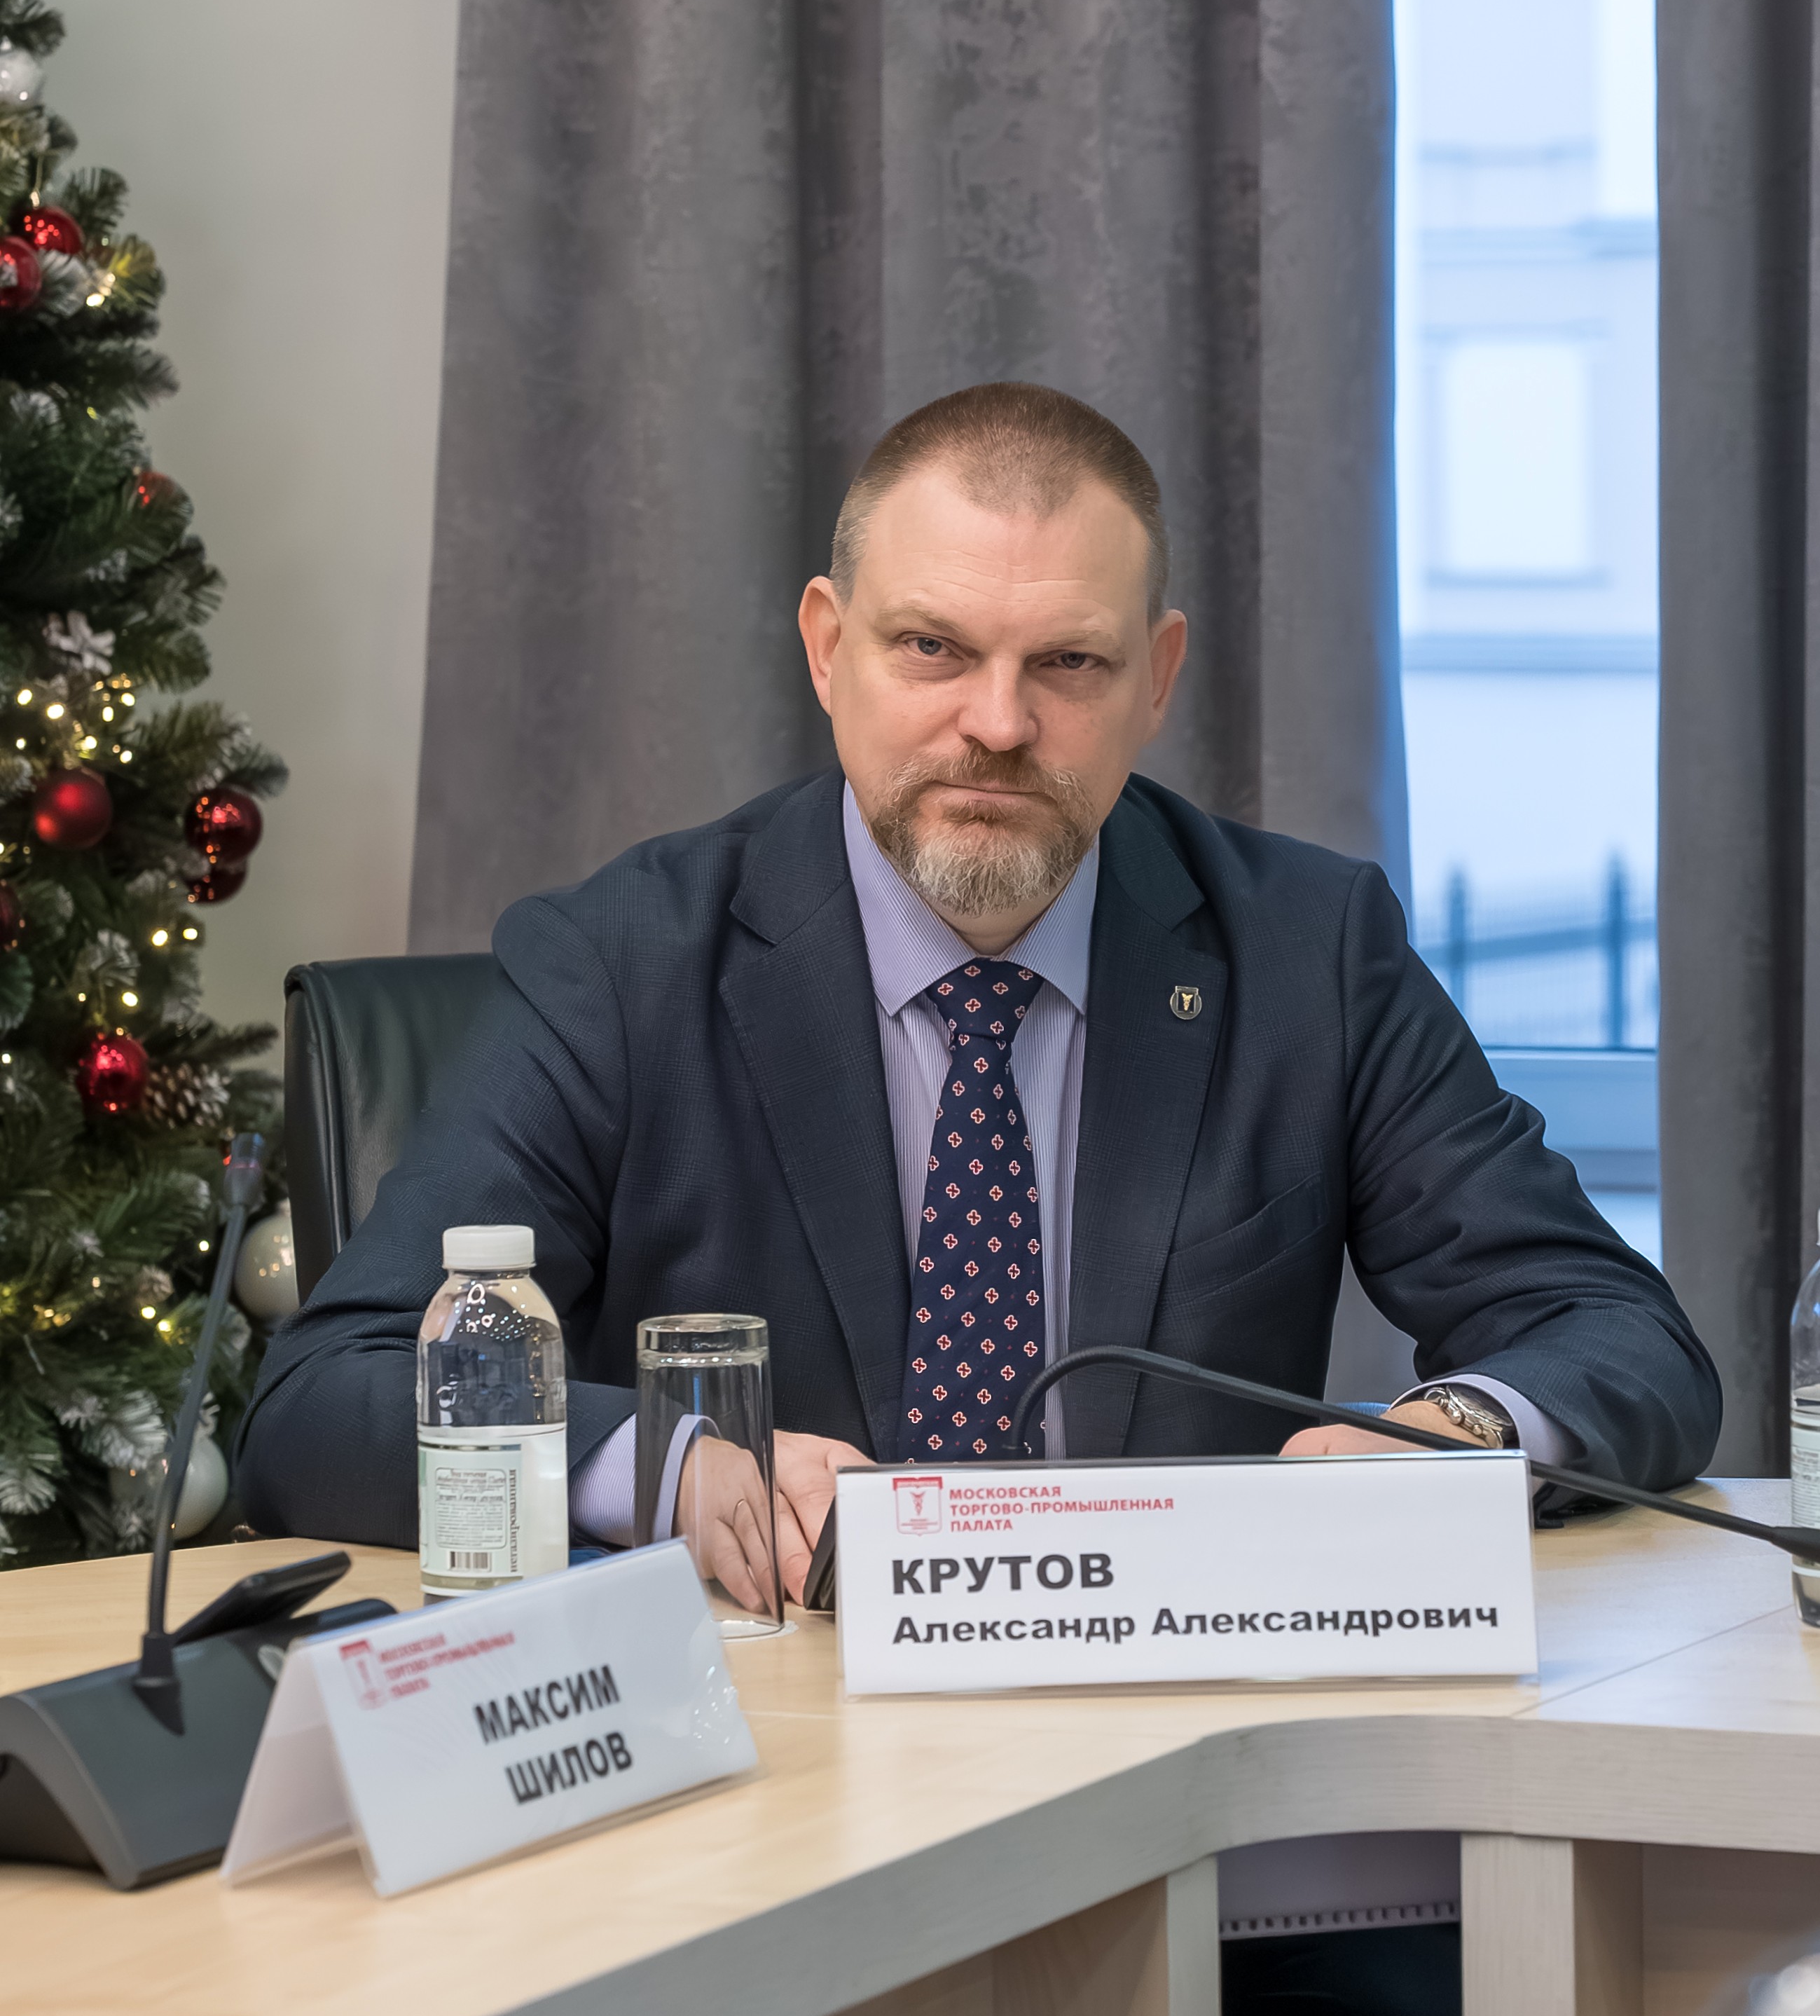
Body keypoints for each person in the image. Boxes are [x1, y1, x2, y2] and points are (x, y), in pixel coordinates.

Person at [236, 381, 1718, 1606]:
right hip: (766, 1762)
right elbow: (324, 1399)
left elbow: (1616, 1331)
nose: (997, 724)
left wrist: (1448, 1433)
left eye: (1068, 662)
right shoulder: (623, 961)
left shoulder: (1305, 949)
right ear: (829, 649)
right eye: (932, 647)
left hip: (1178, 1754)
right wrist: (677, 1469)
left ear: (1157, 677)